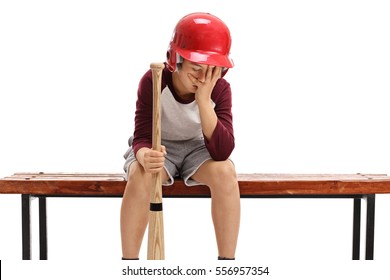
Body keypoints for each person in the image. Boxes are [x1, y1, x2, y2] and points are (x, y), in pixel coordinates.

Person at [120, 12, 240, 260]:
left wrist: (204, 101)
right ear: (175, 60)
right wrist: (144, 155)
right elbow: (141, 135)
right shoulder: (153, 80)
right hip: (157, 146)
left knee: (226, 171)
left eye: (211, 71)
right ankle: (128, 263)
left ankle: (227, 264)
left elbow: (222, 150)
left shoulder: (219, 89)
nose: (203, 78)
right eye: (196, 68)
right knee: (141, 174)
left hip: (199, 149)